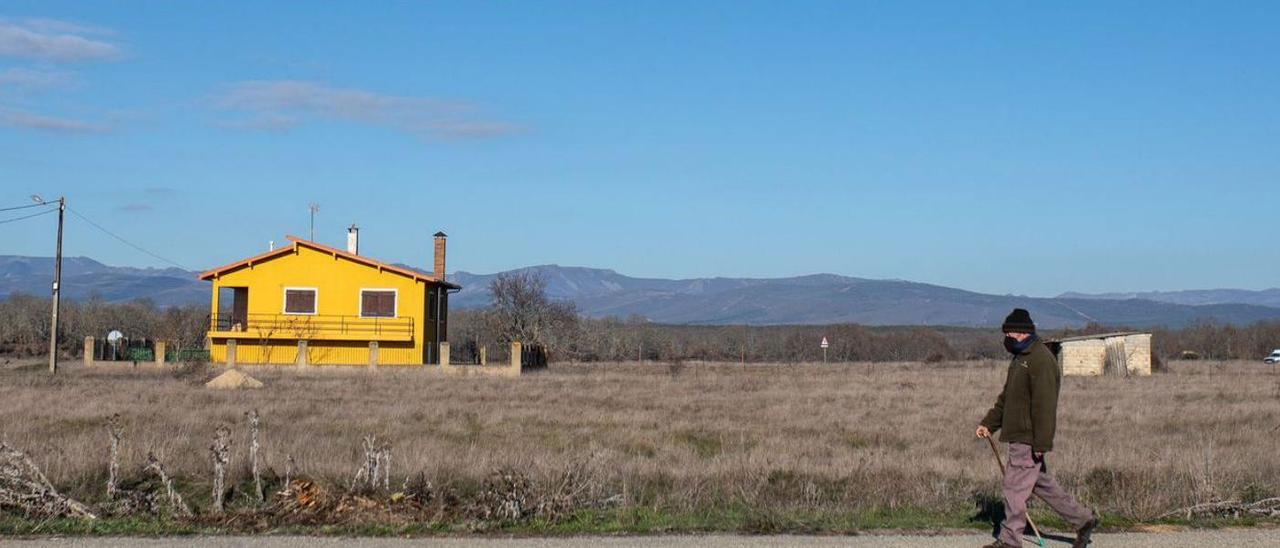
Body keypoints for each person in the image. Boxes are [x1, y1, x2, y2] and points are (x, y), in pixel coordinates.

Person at [977, 308, 1099, 548]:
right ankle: (1084, 519)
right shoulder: (1021, 358)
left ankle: (1010, 540)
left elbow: (1045, 406)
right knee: (1043, 485)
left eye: (1010, 331)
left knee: (1014, 489)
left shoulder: (1041, 361)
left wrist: (1041, 443)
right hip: (1019, 436)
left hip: (1028, 438)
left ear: (1022, 333)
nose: (1007, 336)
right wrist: (989, 423)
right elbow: (1007, 398)